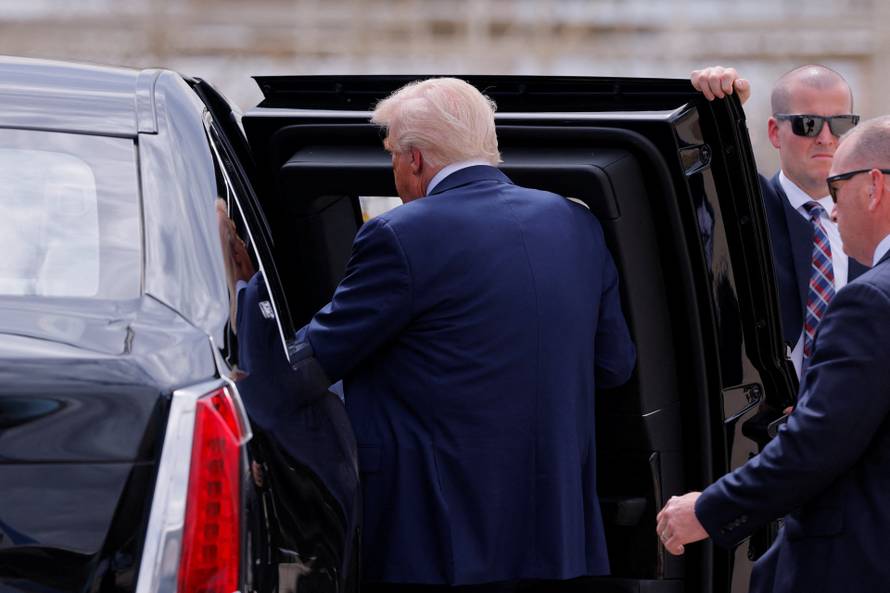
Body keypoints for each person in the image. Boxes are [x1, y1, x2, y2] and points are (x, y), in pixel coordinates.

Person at [288, 77, 636, 590]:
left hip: (434, 540)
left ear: (414, 160)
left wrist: (243, 370)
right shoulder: (576, 225)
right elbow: (614, 365)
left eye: (391, 155)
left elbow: (314, 361)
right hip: (557, 535)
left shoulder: (400, 235)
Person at [655, 115, 890, 592]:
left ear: (873, 187)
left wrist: (705, 511)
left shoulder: (870, 301)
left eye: (836, 188)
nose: (834, 211)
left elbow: (816, 447)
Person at [692, 65, 869, 379]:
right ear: (775, 132)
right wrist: (718, 107)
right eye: (808, 124)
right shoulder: (746, 214)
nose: (826, 139)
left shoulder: (877, 228)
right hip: (766, 421)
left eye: (841, 124)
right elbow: (705, 185)